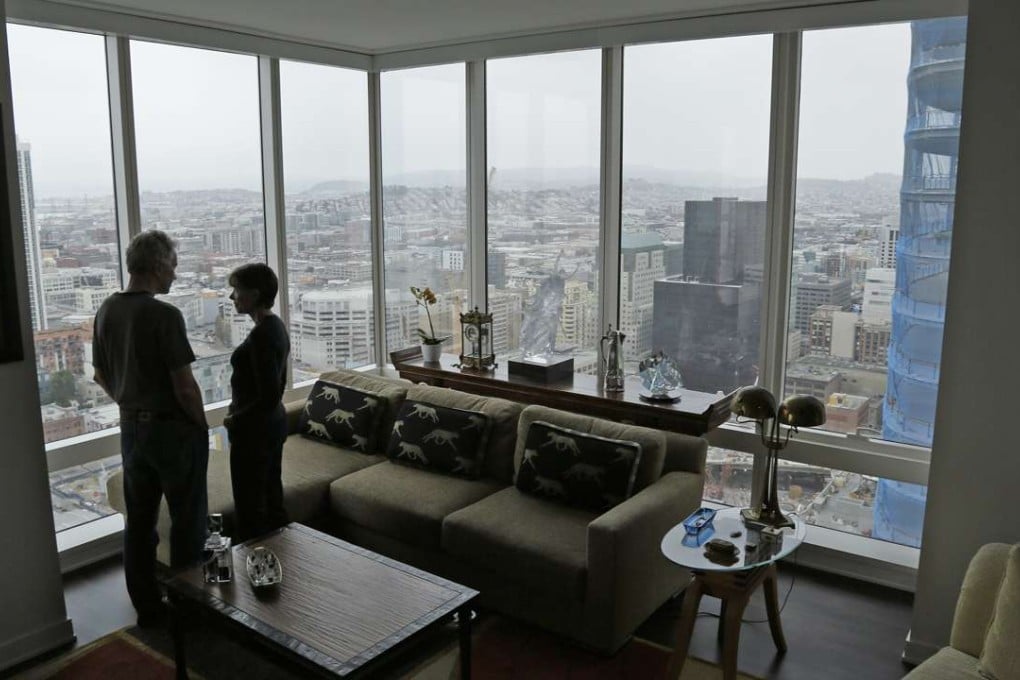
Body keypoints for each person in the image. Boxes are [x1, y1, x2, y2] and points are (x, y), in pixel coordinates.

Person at [92, 230, 209, 628]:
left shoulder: (107, 309)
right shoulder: (165, 316)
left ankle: (147, 608)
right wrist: (200, 423)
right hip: (172, 431)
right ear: (158, 266)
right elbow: (184, 385)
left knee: (139, 524)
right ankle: (190, 606)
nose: (175, 274)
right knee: (188, 520)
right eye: (173, 266)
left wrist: (129, 403)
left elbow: (99, 374)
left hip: (131, 430)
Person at [223, 263, 290, 542]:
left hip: (255, 431)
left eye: (236, 291)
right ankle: (282, 561)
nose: (232, 297)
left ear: (254, 294)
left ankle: (255, 568)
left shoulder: (262, 334)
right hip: (270, 425)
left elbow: (268, 394)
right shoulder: (274, 326)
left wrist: (234, 419)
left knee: (250, 506)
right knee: (271, 497)